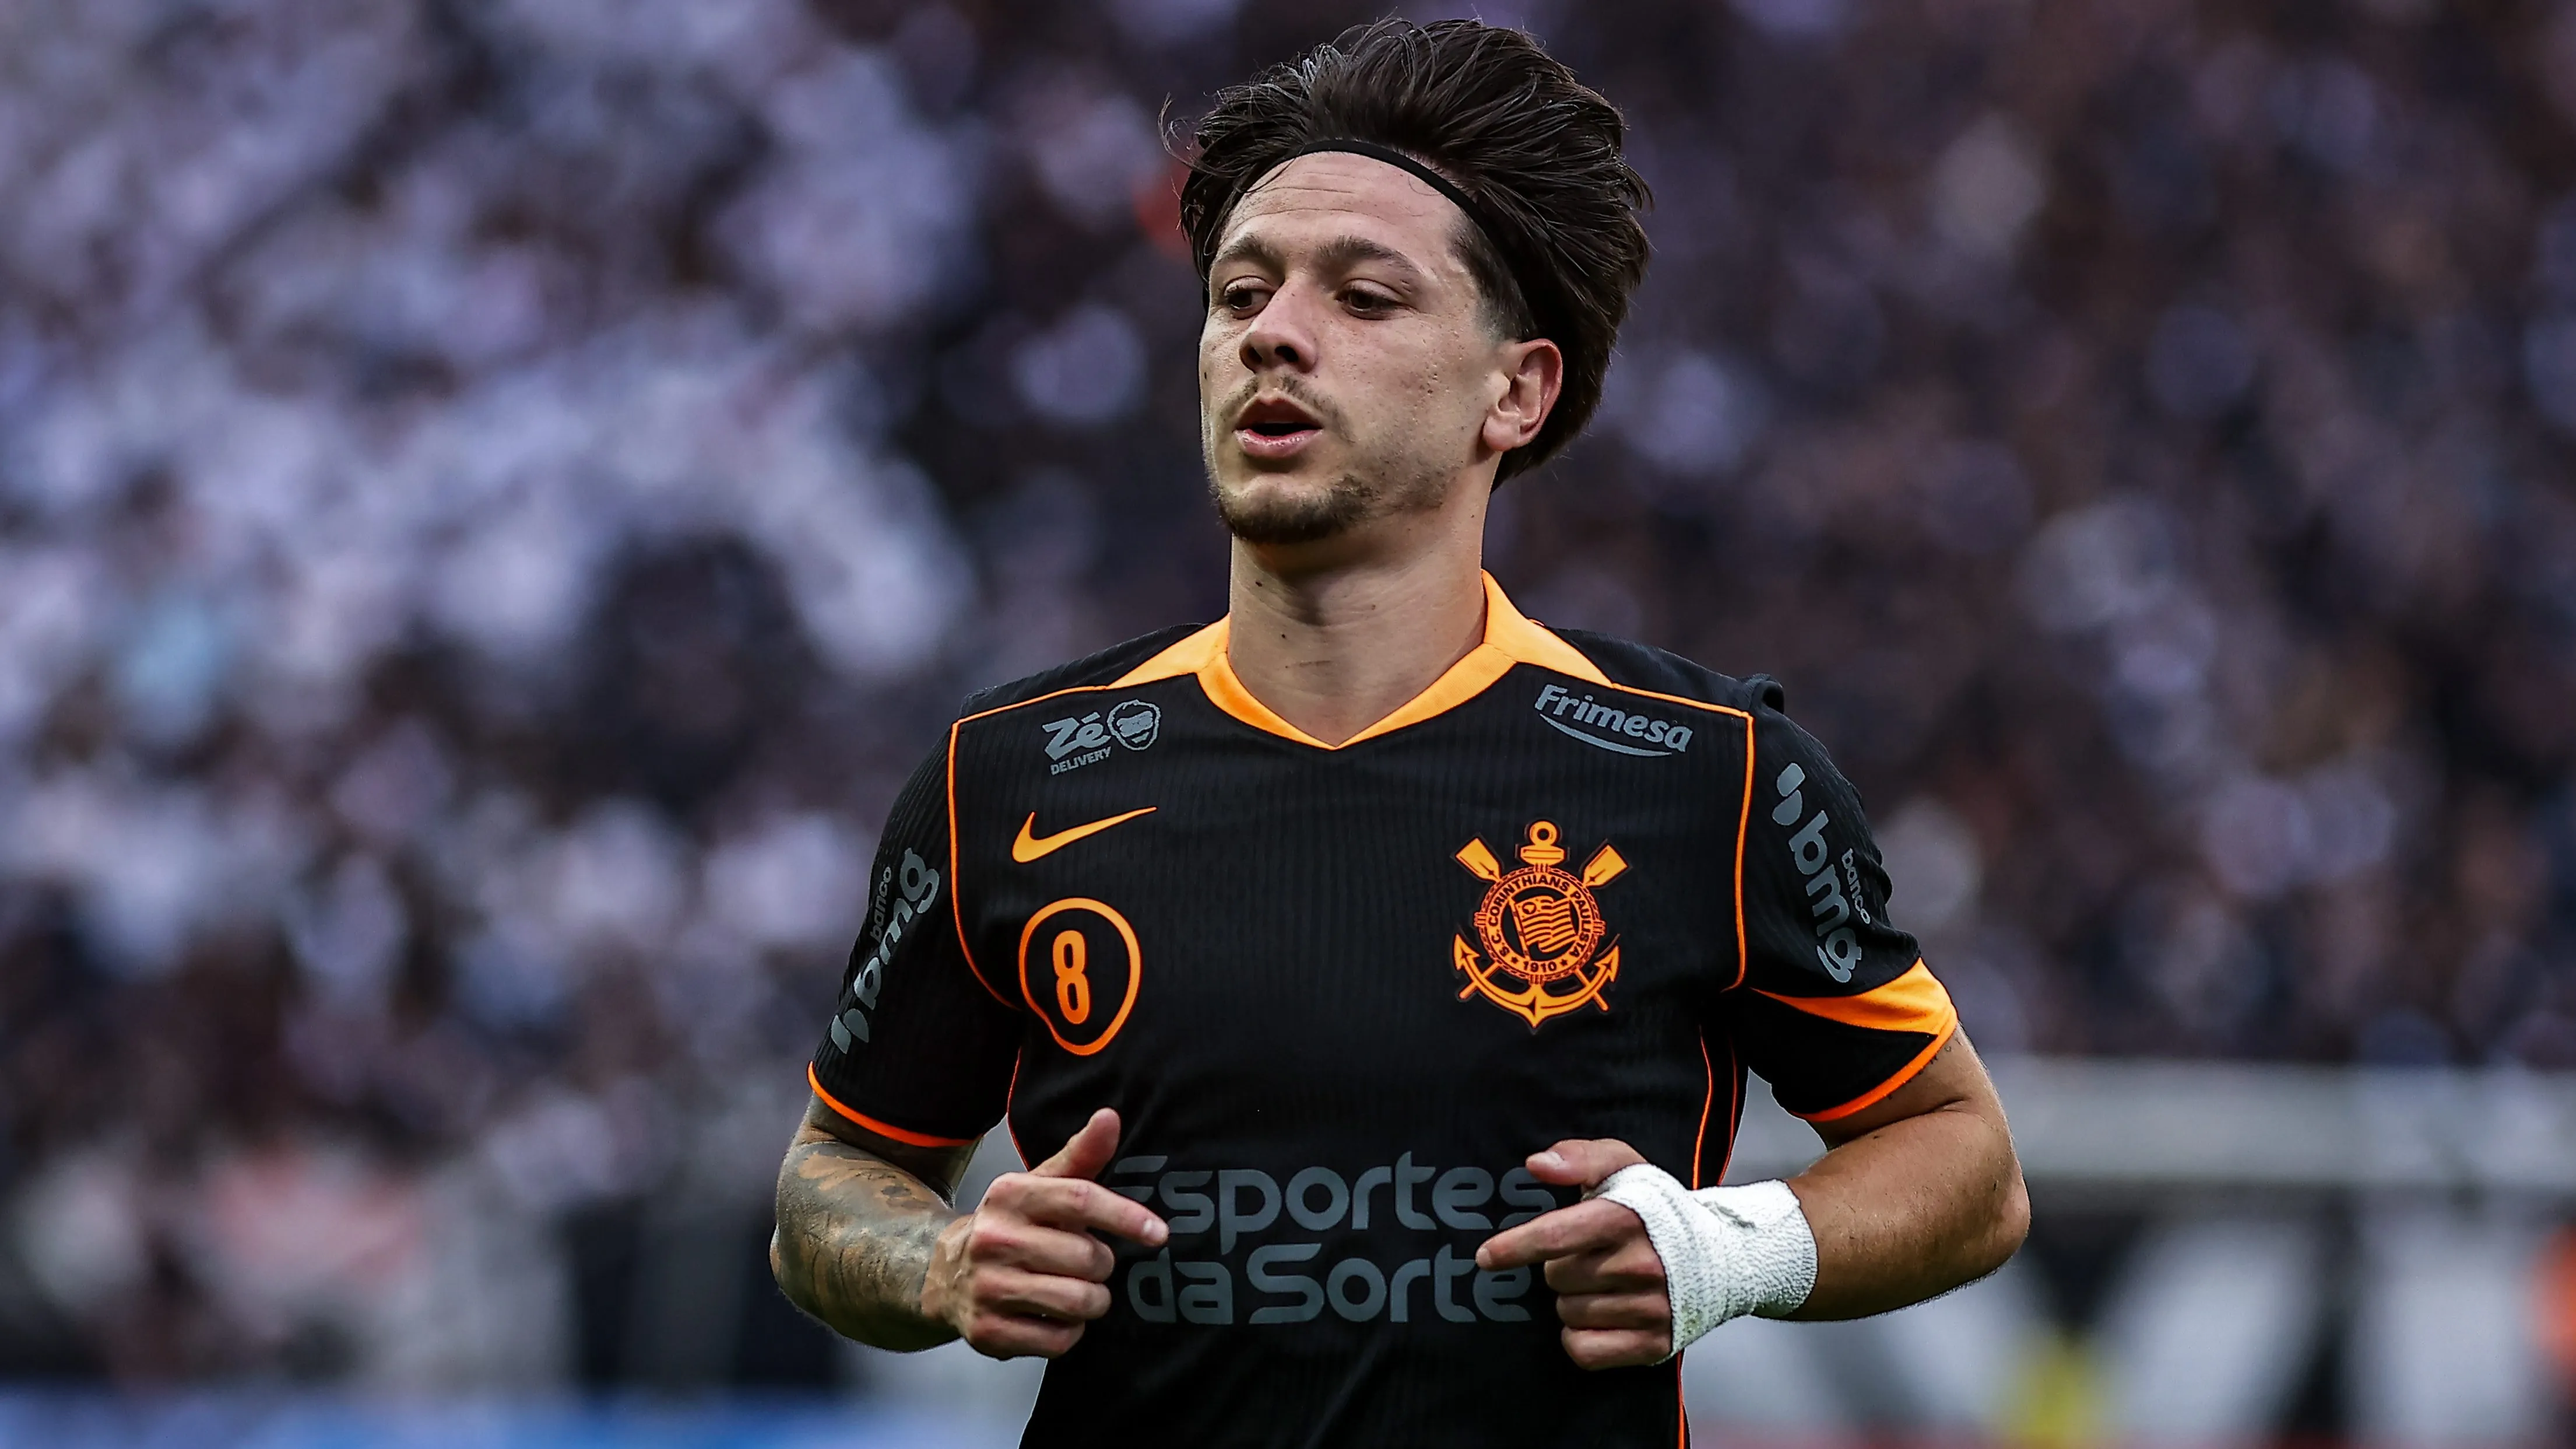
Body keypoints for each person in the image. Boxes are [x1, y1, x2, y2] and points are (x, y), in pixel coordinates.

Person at [771, 18, 2027, 1447]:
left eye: (1364, 298)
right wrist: (933, 1262)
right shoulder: (1002, 774)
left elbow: (1966, 1166)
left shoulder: (1708, 775)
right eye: (1239, 291)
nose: (1273, 332)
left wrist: (1729, 1250)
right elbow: (833, 1179)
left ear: (1517, 390)